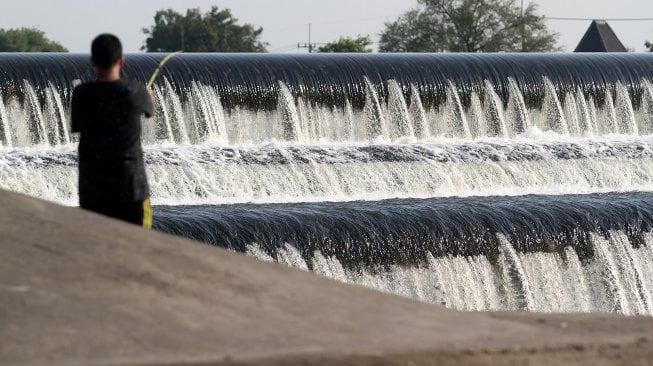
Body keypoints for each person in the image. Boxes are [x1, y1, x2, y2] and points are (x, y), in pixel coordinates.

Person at [71, 33, 154, 228]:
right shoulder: (136, 91)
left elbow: (78, 126)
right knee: (138, 248)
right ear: (121, 61)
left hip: (93, 190)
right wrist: (149, 98)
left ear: (92, 62)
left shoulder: (81, 94)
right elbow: (149, 110)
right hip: (131, 187)